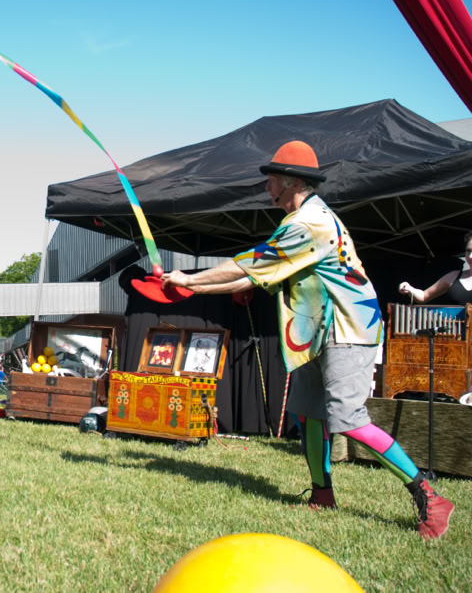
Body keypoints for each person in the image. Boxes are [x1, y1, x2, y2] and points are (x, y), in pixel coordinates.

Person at [161, 140, 454, 540]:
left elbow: (251, 261)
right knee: (308, 413)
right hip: (320, 331)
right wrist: (194, 289)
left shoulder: (308, 223)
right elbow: (257, 274)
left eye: (272, 182)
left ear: (292, 181)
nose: (267, 189)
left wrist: (190, 278)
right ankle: (322, 493)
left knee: (348, 420)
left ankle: (428, 495)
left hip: (350, 329)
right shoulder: (302, 221)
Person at [398, 231, 472, 305]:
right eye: (468, 251)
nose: (470, 256)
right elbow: (423, 296)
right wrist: (409, 288)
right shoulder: (454, 276)